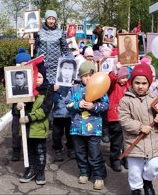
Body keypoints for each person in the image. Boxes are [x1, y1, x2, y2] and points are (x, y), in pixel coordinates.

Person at [67, 61, 108, 190]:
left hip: (94, 129)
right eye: (85, 76)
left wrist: (94, 106)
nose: (88, 78)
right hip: (77, 129)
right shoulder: (74, 89)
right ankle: (84, 172)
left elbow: (106, 105)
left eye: (90, 75)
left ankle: (99, 176)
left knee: (94, 154)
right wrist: (77, 105)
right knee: (80, 153)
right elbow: (67, 105)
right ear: (80, 76)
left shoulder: (100, 88)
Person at [118, 63, 158, 195]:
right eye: (137, 82)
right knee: (135, 171)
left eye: (144, 83)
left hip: (153, 142)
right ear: (132, 82)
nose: (140, 86)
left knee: (154, 166)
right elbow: (124, 120)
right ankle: (136, 189)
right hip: (134, 142)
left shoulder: (155, 99)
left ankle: (147, 181)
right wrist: (140, 127)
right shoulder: (126, 100)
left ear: (149, 83)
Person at [16, 62, 54, 185]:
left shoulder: (47, 91)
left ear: (44, 77)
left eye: (40, 77)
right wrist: (18, 107)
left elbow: (44, 110)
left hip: (38, 128)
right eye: (34, 76)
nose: (37, 80)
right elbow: (16, 110)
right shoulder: (25, 90)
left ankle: (40, 172)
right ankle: (30, 170)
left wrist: (29, 118)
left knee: (40, 151)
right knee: (29, 151)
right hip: (26, 129)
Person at [30, 10, 72, 84]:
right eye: (49, 18)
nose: (51, 21)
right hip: (43, 65)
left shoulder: (60, 32)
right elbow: (34, 50)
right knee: (43, 88)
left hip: (56, 65)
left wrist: (72, 61)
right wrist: (32, 44)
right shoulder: (39, 32)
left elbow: (65, 49)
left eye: (53, 19)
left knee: (55, 89)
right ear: (46, 19)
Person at [107, 65, 130, 172]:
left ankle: (126, 158)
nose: (124, 79)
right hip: (115, 117)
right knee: (116, 140)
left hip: (127, 117)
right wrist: (115, 71)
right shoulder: (113, 85)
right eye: (122, 77)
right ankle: (115, 159)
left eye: (126, 77)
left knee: (127, 139)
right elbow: (111, 79)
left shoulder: (128, 85)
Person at [11, 48, 31, 161]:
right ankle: (16, 150)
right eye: (21, 64)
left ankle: (28, 149)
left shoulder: (32, 78)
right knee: (15, 131)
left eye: (26, 64)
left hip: (29, 110)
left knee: (28, 130)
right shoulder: (11, 83)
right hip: (16, 111)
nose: (19, 80)